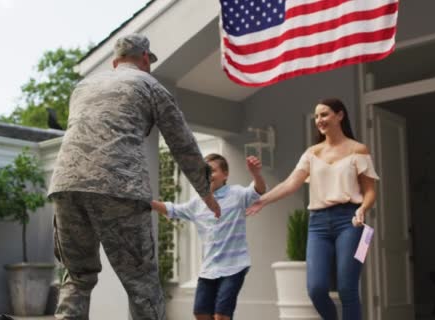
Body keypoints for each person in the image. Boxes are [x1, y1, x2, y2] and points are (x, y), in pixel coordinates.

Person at [48, 33, 221, 320]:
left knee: (77, 277)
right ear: (144, 59)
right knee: (142, 282)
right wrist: (206, 191)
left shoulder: (83, 86)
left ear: (115, 62)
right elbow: (183, 143)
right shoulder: (149, 85)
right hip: (119, 186)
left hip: (66, 185)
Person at [246, 98, 379, 320]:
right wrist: (263, 200)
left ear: (340, 115)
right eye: (317, 116)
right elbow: (290, 184)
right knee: (316, 289)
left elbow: (370, 190)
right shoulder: (312, 153)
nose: (319, 120)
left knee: (348, 289)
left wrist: (363, 208)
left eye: (324, 114)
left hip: (351, 222)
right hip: (318, 224)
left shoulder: (358, 150)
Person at [152, 154, 266, 320]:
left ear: (225, 174)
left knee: (221, 316)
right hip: (209, 269)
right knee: (201, 314)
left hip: (234, 267)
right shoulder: (197, 203)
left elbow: (258, 190)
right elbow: (172, 209)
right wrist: (148, 203)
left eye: (212, 170)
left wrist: (256, 174)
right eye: (204, 171)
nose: (207, 175)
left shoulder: (237, 194)